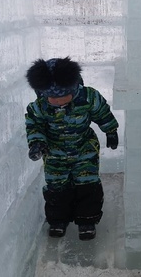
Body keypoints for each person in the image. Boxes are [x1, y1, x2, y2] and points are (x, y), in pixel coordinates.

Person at [24, 57, 119, 240]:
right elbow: (34, 125)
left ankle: (87, 220)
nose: (58, 102)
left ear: (72, 87)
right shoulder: (39, 107)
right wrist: (37, 143)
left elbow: (102, 112)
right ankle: (58, 220)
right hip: (54, 153)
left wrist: (110, 131)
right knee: (57, 187)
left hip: (85, 148)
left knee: (87, 184)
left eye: (63, 97)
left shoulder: (88, 97)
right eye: (53, 98)